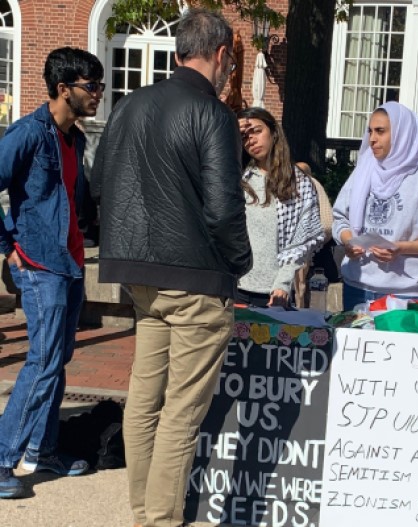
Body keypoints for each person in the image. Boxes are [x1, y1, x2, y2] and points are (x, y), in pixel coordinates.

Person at [91, 9, 252, 527]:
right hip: (195, 276)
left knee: (143, 399)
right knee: (181, 411)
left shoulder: (129, 104)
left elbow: (96, 183)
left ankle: (144, 513)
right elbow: (224, 208)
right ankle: (158, 519)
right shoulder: (213, 114)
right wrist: (241, 262)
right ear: (222, 54)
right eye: (230, 61)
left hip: (137, 270)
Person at [0, 47, 104, 500]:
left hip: (71, 265)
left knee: (57, 362)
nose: (99, 94)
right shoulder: (27, 134)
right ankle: (4, 457)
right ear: (64, 89)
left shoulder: (75, 138)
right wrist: (7, 247)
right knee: (42, 362)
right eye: (91, 86)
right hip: (40, 266)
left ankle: (42, 450)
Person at [332, 101, 418, 311]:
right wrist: (349, 242)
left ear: (402, 134)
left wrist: (401, 248)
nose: (372, 139)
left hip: (404, 293)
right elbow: (340, 219)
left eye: (380, 131)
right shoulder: (363, 171)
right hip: (357, 286)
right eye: (370, 131)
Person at [236, 108, 324, 308]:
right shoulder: (238, 179)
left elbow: (300, 242)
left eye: (257, 131)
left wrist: (282, 284)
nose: (251, 140)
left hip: (274, 292)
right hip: (235, 287)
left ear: (273, 131)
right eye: (244, 136)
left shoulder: (298, 183)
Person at [291, 161, 336, 308]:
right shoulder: (316, 185)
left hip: (307, 245)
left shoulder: (304, 185)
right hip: (320, 244)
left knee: (302, 286)